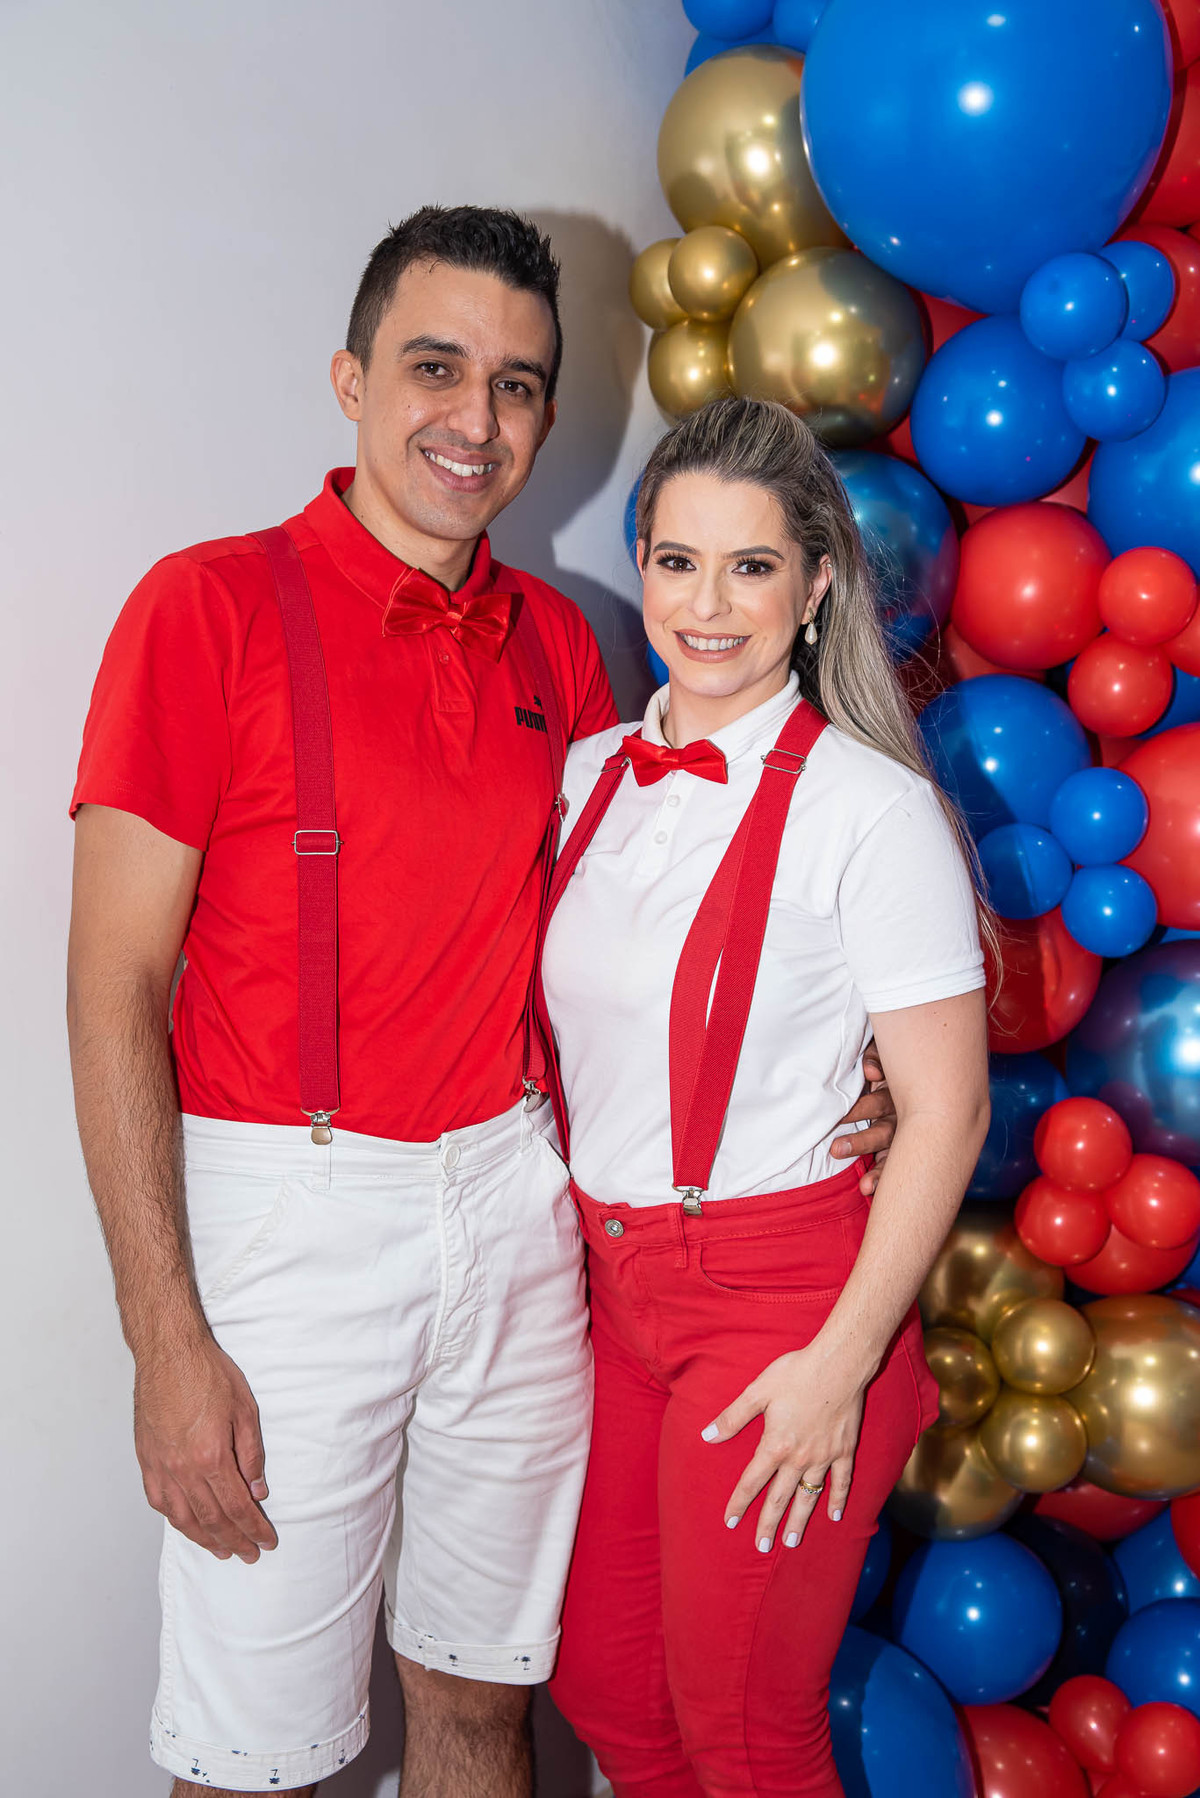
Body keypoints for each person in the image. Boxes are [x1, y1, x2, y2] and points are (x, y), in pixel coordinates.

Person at [66, 211, 897, 1798]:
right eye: (435, 367)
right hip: (289, 1212)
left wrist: (843, 1065)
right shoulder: (207, 607)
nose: (476, 417)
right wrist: (164, 1338)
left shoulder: (563, 642)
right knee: (250, 1751)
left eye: (516, 385)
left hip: (521, 1207)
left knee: (481, 1693)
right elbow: (111, 987)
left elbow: (661, 927)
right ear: (351, 379)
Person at [538, 397, 992, 1798]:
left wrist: (840, 1365)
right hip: (613, 1294)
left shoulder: (873, 810)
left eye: (751, 567)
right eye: (678, 562)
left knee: (744, 1733)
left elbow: (949, 1112)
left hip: (782, 1305)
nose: (707, 604)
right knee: (609, 1688)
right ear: (642, 567)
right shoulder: (589, 777)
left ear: (815, 588)